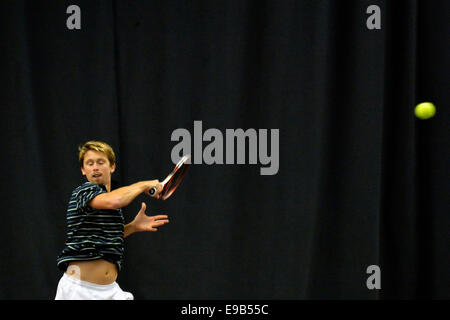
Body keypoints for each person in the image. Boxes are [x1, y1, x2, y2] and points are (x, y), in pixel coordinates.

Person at [55, 141, 168, 300]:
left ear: (112, 167)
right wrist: (144, 185)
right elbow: (115, 200)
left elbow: (105, 236)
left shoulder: (110, 204)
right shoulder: (84, 191)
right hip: (79, 290)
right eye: (90, 163)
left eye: (100, 162)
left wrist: (133, 227)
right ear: (83, 170)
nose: (95, 167)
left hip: (110, 291)